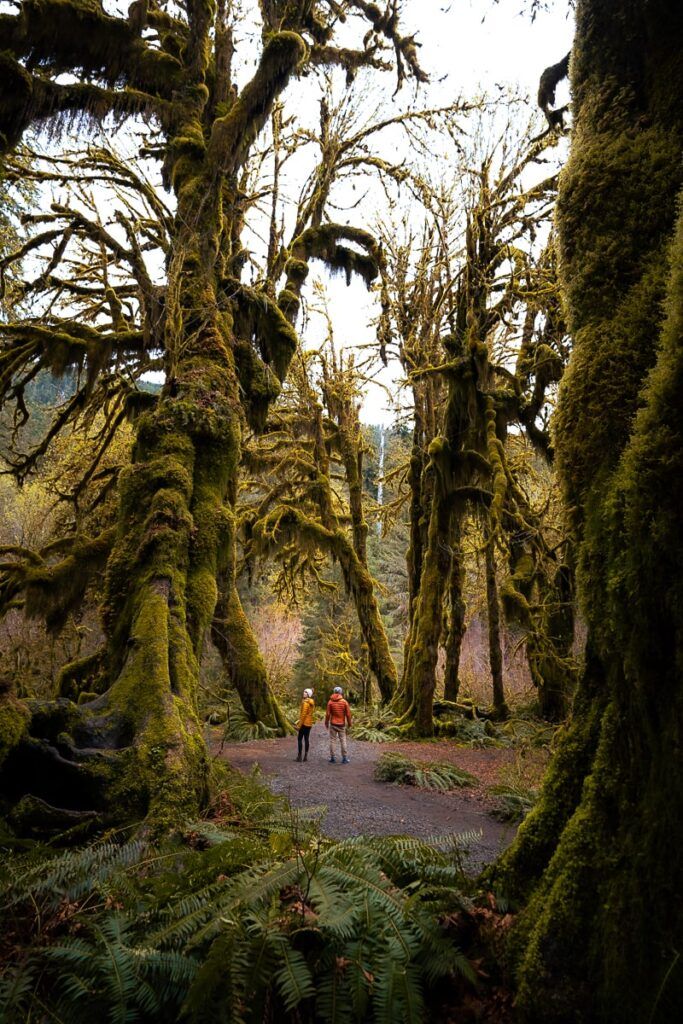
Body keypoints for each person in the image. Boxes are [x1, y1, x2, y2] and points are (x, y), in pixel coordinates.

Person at [325, 686, 352, 764]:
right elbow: (348, 714)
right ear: (341, 692)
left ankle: (332, 758)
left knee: (332, 740)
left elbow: (327, 714)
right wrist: (350, 724)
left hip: (333, 724)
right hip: (341, 725)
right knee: (343, 740)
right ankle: (344, 758)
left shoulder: (330, 702)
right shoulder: (344, 702)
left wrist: (326, 723)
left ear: (334, 692)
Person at [295, 688, 315, 762]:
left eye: (305, 692)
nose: (303, 693)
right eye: (304, 691)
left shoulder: (305, 703)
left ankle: (299, 756)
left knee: (300, 739)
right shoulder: (311, 702)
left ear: (308, 694)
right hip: (309, 724)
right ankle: (305, 756)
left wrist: (299, 725)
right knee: (306, 739)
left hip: (304, 724)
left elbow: (303, 715)